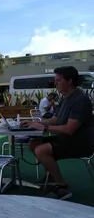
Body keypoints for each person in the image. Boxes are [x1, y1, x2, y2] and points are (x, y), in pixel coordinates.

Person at [21, 66, 94, 200]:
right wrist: (34, 123)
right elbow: (56, 119)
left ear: (70, 81)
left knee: (41, 150)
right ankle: (51, 178)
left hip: (79, 143)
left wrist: (42, 128)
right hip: (66, 140)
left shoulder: (80, 100)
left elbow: (69, 129)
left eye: (58, 80)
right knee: (33, 144)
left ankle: (62, 187)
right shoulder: (66, 98)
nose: (55, 83)